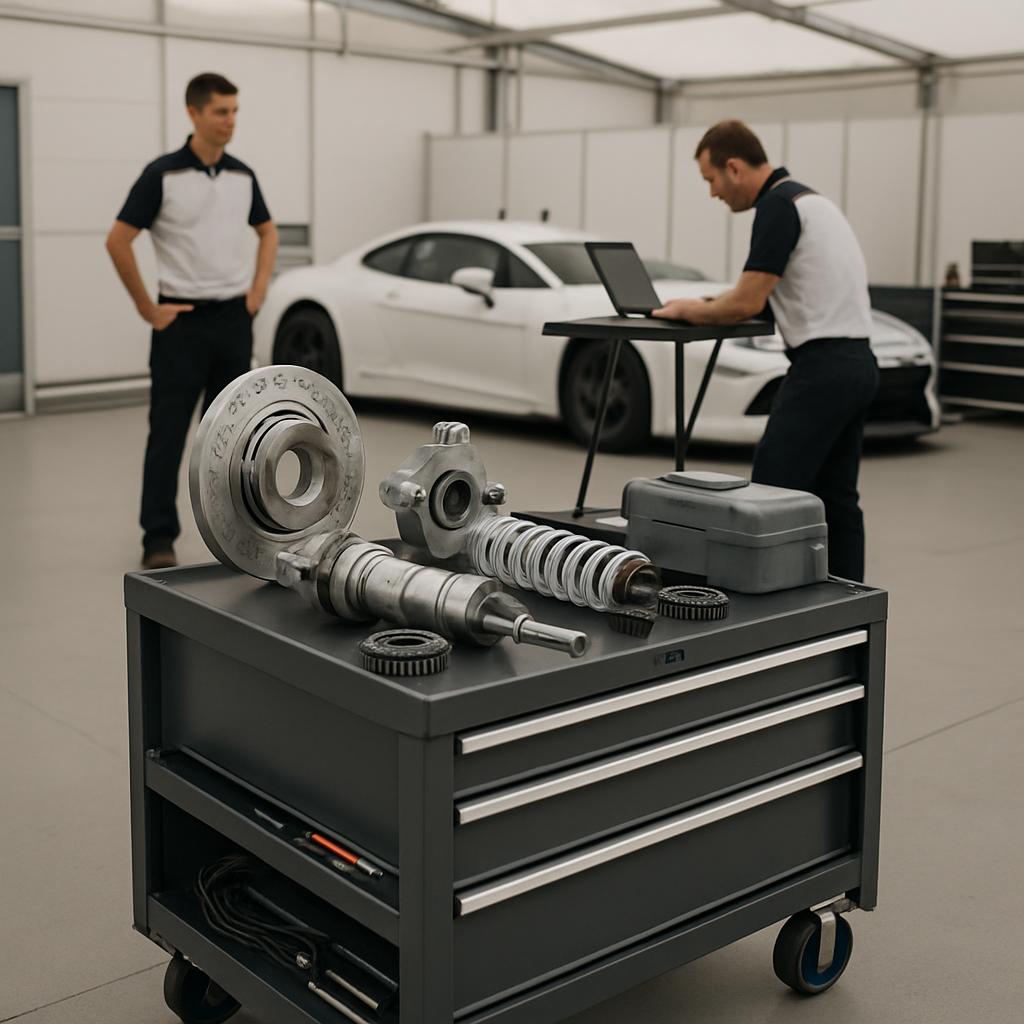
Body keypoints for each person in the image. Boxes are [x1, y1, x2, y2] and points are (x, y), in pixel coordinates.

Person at [653, 120, 878, 582]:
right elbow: (772, 293)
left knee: (769, 496)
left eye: (711, 180)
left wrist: (690, 310)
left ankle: (765, 607)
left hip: (822, 370)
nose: (713, 193)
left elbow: (748, 301)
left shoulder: (776, 206)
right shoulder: (811, 201)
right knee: (837, 498)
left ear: (734, 168)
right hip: (858, 365)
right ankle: (851, 598)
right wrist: (714, 304)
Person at [106, 72, 278, 569]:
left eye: (235, 111)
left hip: (233, 321)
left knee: (236, 437)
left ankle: (238, 534)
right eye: (221, 111)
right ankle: (158, 538)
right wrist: (147, 308)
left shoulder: (243, 176)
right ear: (194, 113)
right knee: (168, 434)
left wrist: (257, 291)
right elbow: (118, 240)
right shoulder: (162, 175)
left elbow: (268, 232)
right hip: (180, 325)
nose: (230, 121)